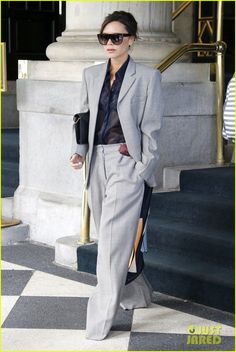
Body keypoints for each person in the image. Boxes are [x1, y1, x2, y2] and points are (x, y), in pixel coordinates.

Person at [70, 11, 163, 340]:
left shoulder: (148, 77)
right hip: (97, 163)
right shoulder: (90, 74)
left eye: (116, 37)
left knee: (109, 243)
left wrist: (142, 169)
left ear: (131, 40)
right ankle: (137, 293)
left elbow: (151, 130)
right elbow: (82, 116)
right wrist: (79, 151)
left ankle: (98, 322)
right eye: (104, 38)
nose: (109, 43)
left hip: (127, 161)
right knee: (113, 236)